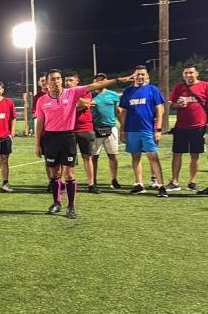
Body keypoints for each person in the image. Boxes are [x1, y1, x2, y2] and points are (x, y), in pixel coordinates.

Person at [35, 69, 135, 219]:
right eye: (52, 79)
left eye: (58, 78)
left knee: (69, 174)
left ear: (61, 80)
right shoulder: (42, 100)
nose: (55, 81)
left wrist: (120, 80)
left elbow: (96, 85)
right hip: (50, 138)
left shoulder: (72, 93)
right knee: (54, 174)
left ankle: (71, 206)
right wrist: (37, 144)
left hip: (68, 137)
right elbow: (40, 123)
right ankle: (56, 203)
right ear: (47, 82)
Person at [118, 65, 168, 197]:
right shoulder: (128, 91)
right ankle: (139, 184)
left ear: (147, 76)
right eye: (138, 74)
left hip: (147, 130)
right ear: (133, 76)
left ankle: (161, 186)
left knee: (153, 157)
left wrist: (158, 129)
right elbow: (124, 112)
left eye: (143, 74)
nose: (140, 77)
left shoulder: (152, 90)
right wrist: (122, 130)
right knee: (135, 157)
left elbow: (160, 110)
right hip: (132, 130)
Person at [165, 64, 208, 191]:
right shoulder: (179, 87)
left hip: (199, 126)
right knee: (177, 154)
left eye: (191, 72)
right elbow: (171, 106)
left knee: (195, 155)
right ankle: (175, 182)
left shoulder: (206, 86)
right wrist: (178, 105)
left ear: (197, 73)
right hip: (181, 126)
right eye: (185, 73)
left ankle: (192, 181)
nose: (188, 75)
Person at [64, 72, 98, 193]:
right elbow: (82, 105)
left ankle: (91, 184)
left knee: (87, 157)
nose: (68, 82)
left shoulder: (84, 90)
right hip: (69, 129)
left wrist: (75, 98)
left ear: (77, 81)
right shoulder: (63, 93)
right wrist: (81, 104)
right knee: (69, 159)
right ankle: (68, 183)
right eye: (66, 80)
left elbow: (85, 105)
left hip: (85, 129)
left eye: (71, 80)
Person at [90, 73, 122, 189]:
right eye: (98, 80)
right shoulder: (89, 95)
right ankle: (92, 180)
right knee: (94, 156)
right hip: (95, 128)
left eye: (102, 80)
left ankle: (114, 179)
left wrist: (122, 126)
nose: (100, 82)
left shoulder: (113, 95)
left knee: (113, 155)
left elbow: (117, 112)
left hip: (111, 128)